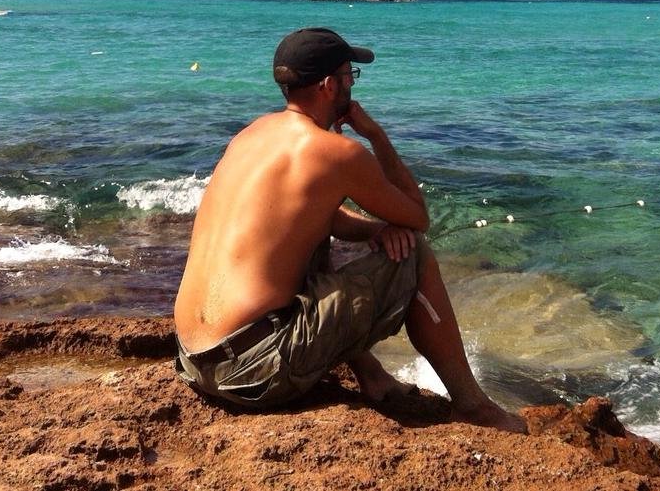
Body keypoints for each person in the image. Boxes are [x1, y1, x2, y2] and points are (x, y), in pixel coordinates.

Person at [174, 27, 525, 432]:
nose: (352, 84)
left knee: (314, 238)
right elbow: (416, 215)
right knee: (414, 252)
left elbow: (313, 220)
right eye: (349, 75)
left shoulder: (250, 135)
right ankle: (472, 406)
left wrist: (373, 232)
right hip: (255, 373)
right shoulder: (335, 153)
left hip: (193, 358)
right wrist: (375, 135)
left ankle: (370, 373)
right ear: (328, 86)